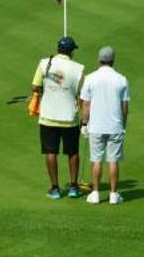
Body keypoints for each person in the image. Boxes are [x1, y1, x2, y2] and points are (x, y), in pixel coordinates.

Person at [33, 36, 86, 198]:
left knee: (50, 151)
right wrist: (85, 120)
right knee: (72, 152)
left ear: (57, 49)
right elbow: (83, 96)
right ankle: (73, 187)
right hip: (69, 118)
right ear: (71, 52)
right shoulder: (79, 68)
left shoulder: (44, 63)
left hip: (48, 116)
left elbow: (36, 86)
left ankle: (55, 188)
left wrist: (42, 92)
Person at [79, 45, 131, 205]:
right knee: (113, 161)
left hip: (96, 126)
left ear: (99, 59)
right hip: (115, 126)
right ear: (113, 60)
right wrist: (123, 125)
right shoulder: (121, 79)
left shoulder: (90, 78)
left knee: (96, 160)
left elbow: (85, 104)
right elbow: (124, 107)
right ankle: (114, 195)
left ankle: (95, 194)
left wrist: (84, 124)